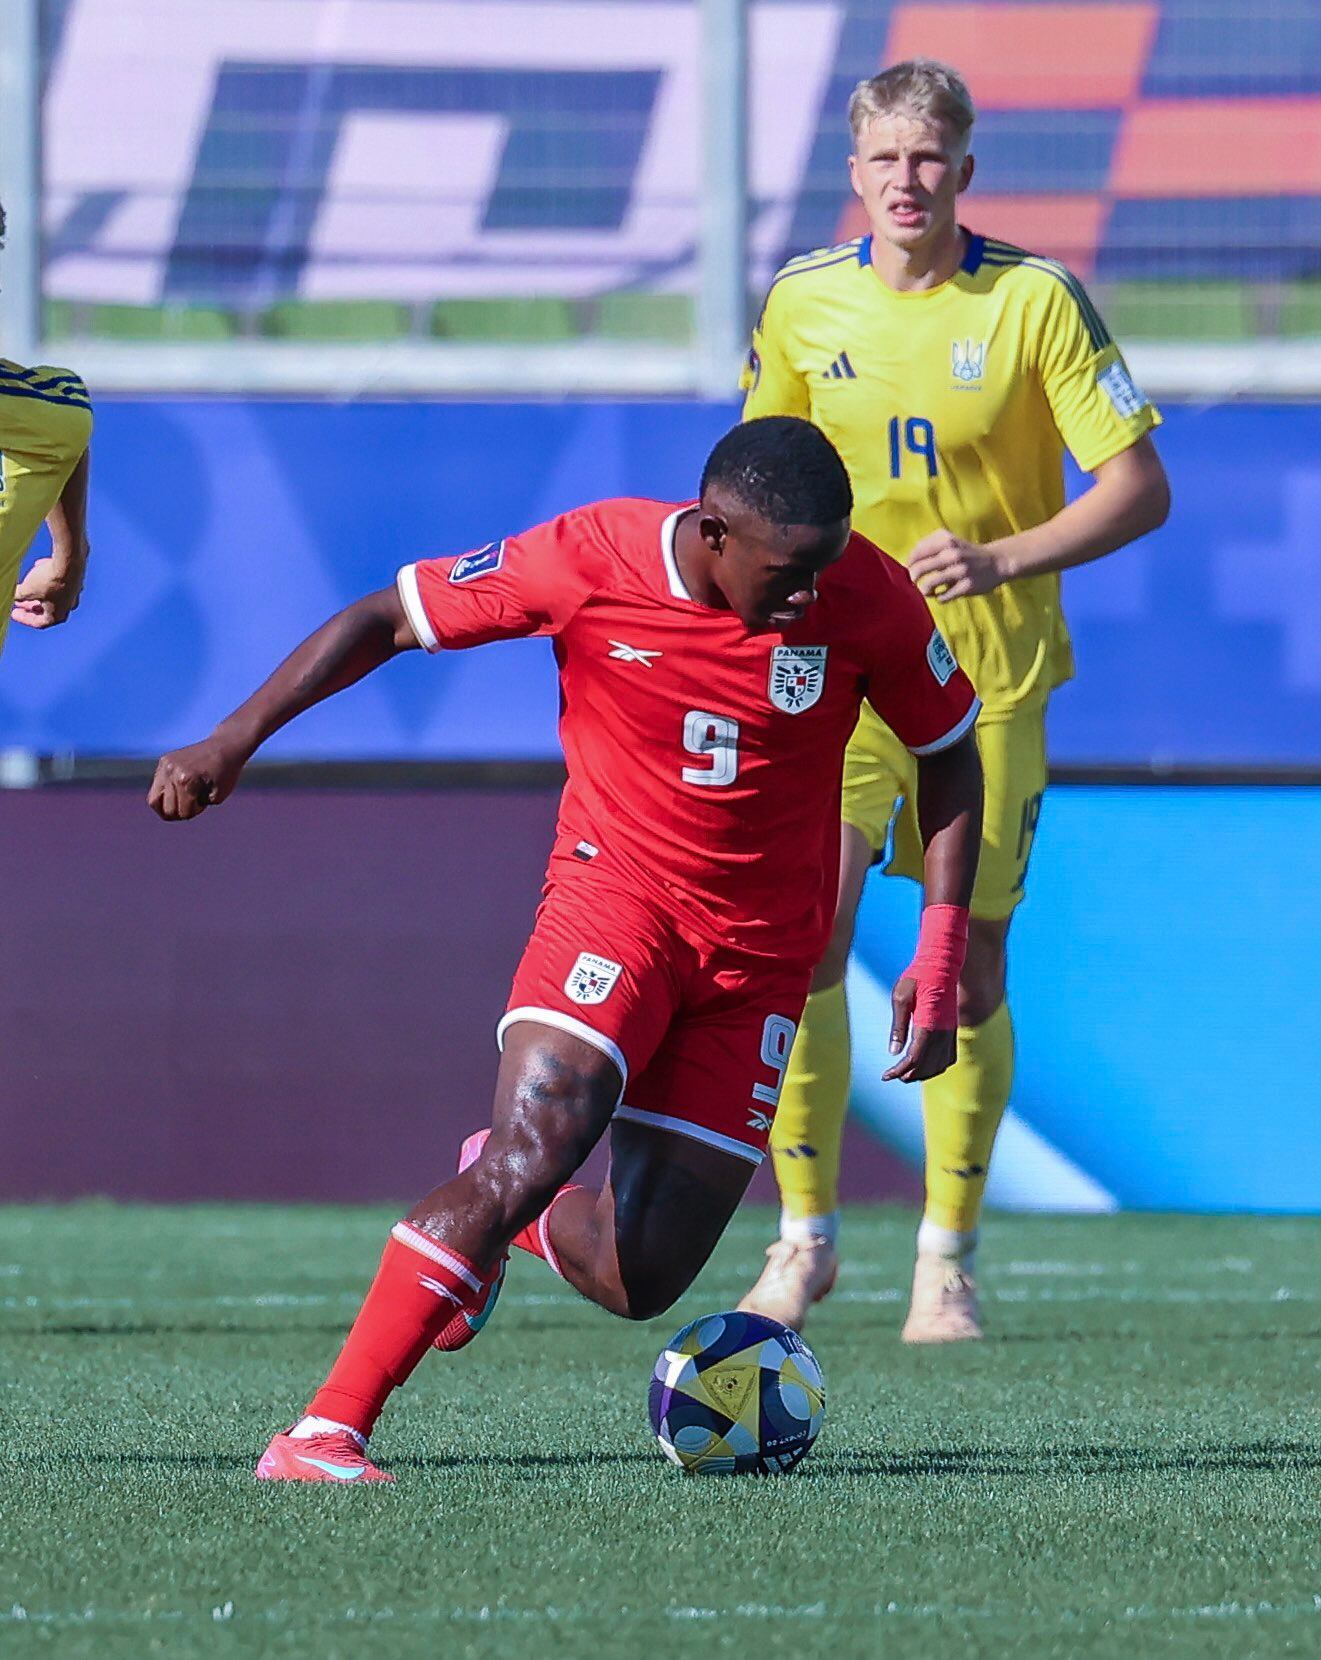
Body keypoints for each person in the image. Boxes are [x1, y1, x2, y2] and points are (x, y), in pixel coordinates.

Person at [148, 416, 984, 1482]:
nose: (809, 594)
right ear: (714, 533)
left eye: (823, 564)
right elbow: (385, 617)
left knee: (639, 1278)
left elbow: (948, 755)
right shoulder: (589, 556)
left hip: (759, 959)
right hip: (615, 904)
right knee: (530, 1153)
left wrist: (939, 945)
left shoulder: (862, 591)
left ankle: (505, 1217)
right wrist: (233, 737)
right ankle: (325, 1430)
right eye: (786, 572)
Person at [737, 59, 1170, 1341]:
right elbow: (756, 480)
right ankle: (801, 1238)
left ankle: (945, 1257)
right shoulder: (803, 303)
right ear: (853, 176)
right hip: (836, 679)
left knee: (966, 966)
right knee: (799, 938)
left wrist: (1002, 557)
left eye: (929, 157)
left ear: (963, 171)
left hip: (988, 680)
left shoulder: (1033, 301)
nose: (906, 181)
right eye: (884, 159)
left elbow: (1137, 485)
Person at [0, 201, 94, 657]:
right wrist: (69, 558)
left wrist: (69, 557)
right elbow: (66, 416)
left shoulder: (44, 418)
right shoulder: (51, 416)